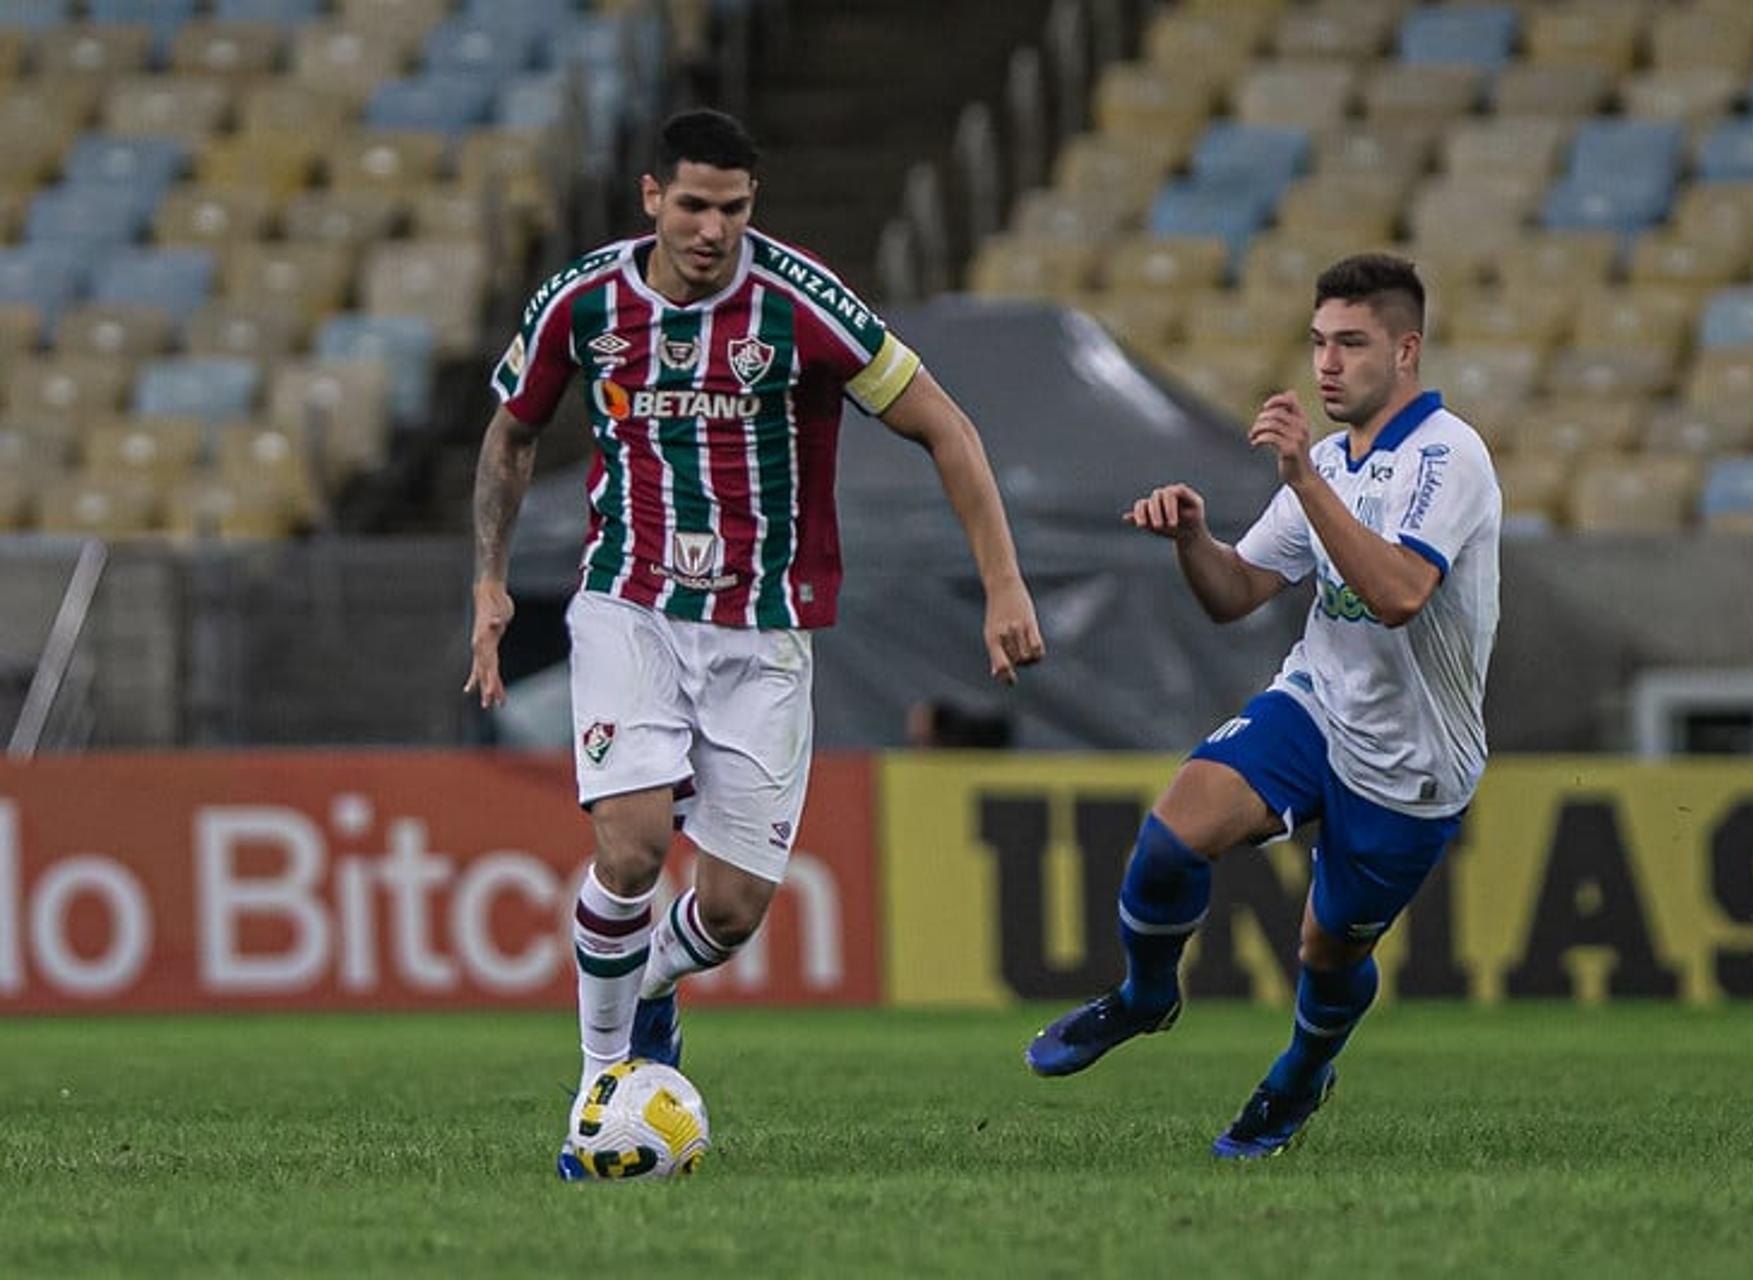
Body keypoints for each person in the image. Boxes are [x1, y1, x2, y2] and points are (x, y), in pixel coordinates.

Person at [463, 108, 1046, 1177]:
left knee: (730, 910)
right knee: (632, 843)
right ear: (650, 197)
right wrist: (492, 580)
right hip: (627, 602)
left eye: (732, 208)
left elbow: (945, 426)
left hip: (763, 630)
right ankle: (598, 1088)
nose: (712, 228)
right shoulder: (583, 301)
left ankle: (647, 985)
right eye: (692, 204)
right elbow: (512, 431)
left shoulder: (799, 302)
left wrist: (1003, 582)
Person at [1024, 253, 1500, 1159]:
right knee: (1171, 835)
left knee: (1328, 951)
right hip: (1317, 704)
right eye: (1319, 343)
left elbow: (1400, 592)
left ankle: (1300, 1075)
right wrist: (1194, 537)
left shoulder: (1451, 457)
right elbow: (1236, 592)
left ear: (1406, 351)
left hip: (1415, 760)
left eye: (1351, 345)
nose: (1326, 364)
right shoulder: (1328, 460)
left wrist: (1304, 482)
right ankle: (1145, 995)